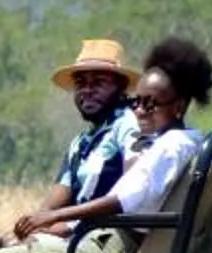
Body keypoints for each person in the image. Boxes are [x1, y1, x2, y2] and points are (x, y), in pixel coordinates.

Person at [0, 38, 212, 253]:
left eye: (98, 83)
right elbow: (58, 199)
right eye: (81, 84)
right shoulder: (87, 141)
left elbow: (123, 201)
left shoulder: (147, 135)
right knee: (6, 245)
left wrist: (57, 220)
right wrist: (38, 223)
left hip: (106, 241)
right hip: (96, 236)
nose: (140, 111)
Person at [36, 37, 143, 230]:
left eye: (98, 83)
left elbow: (132, 192)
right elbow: (53, 203)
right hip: (76, 231)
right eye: (81, 83)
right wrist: (34, 223)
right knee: (8, 240)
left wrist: (57, 224)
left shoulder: (128, 125)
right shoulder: (81, 142)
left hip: (106, 233)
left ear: (120, 87)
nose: (87, 91)